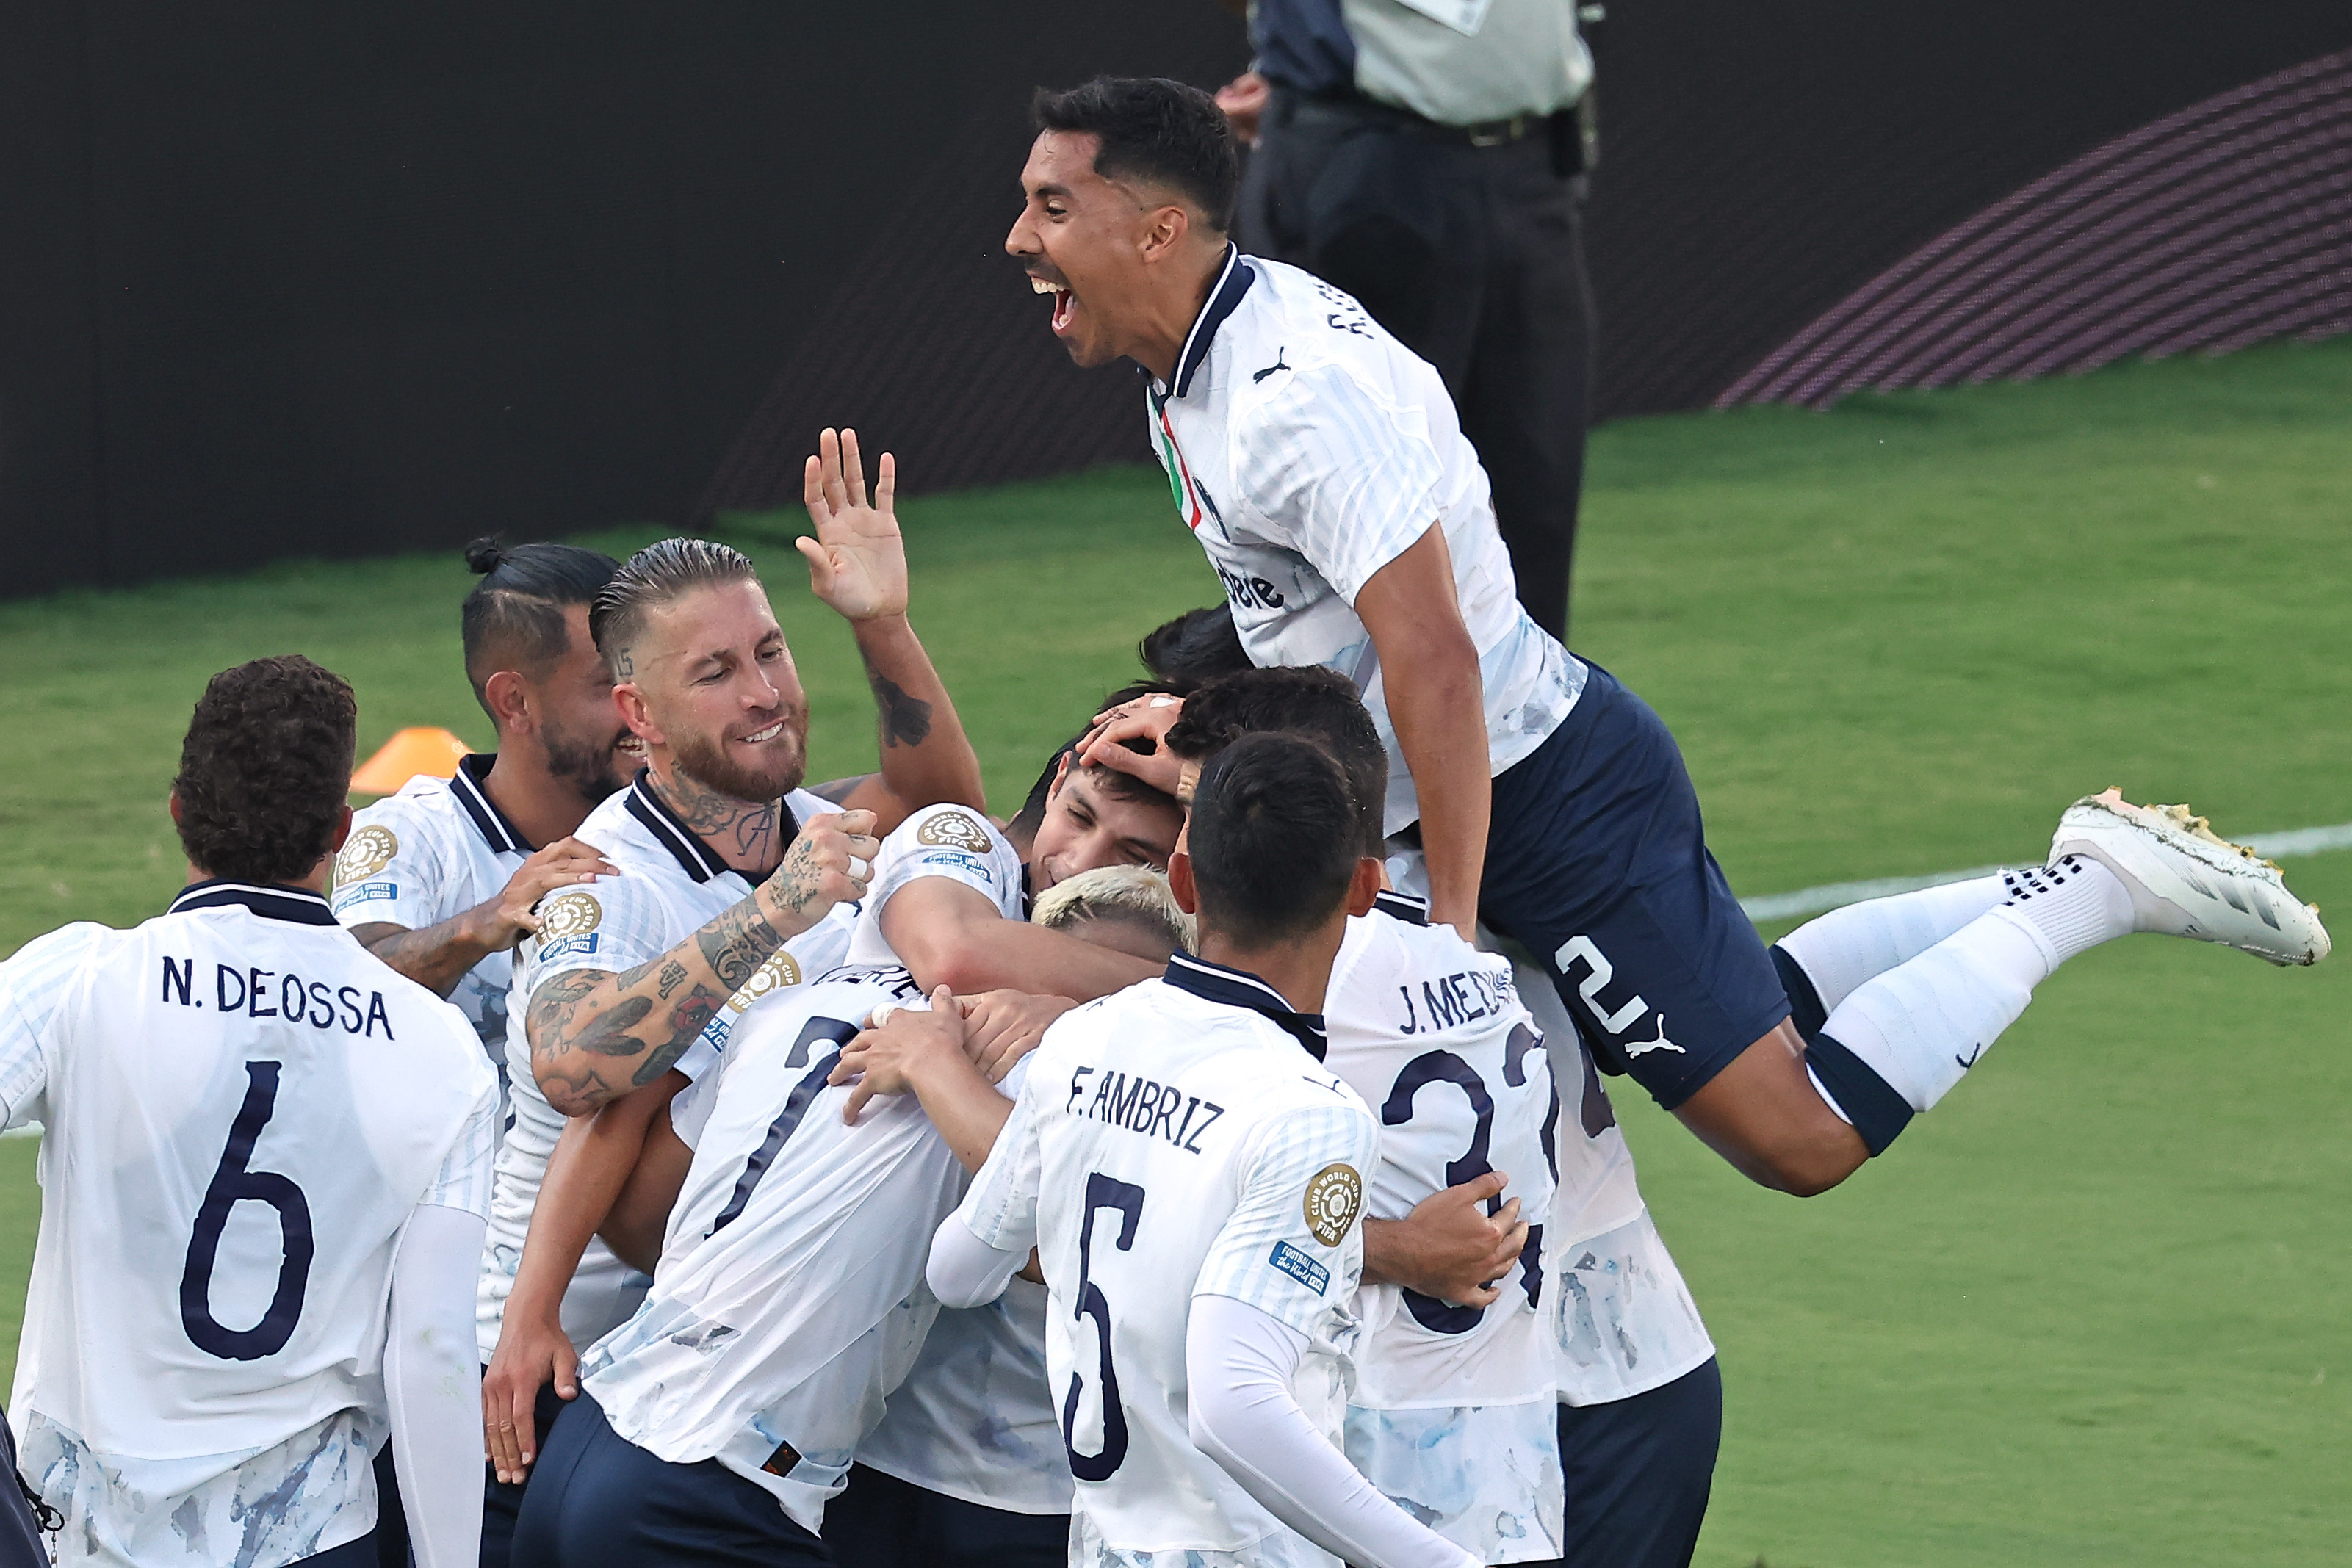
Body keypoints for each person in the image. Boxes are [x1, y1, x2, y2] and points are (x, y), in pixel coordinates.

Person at [1014, 74, 2327, 1206]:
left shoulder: (1294, 402)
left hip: (1538, 797)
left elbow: (1434, 658)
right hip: (1474, 796)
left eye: (1053, 208)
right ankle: (2080, 871)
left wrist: (1453, 928)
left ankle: (2096, 890)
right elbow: (1321, 622)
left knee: (1796, 1138)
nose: (1021, 237)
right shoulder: (1194, 370)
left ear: (1159, 229)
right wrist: (1206, 723)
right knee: (1735, 1008)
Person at [485, 702, 1191, 1562]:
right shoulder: (998, 1029)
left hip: (616, 1413)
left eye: (1132, 854)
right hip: (717, 1478)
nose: (1076, 859)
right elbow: (1087, 1251)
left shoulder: (822, 963)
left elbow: (637, 1119)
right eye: (1076, 817)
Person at [478, 431, 985, 1562]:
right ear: (638, 713)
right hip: (544, 1383)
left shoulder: (811, 825)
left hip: (704, 1375)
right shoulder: (604, 875)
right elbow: (572, 1065)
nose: (764, 694)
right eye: (715, 673)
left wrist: (879, 619)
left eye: (769, 651)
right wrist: (773, 914)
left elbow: (948, 802)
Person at [1158, 667, 1718, 1568]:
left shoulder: (1278, 1008)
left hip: (1404, 1445)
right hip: (1537, 1428)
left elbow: (1165, 1210)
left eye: (1199, 806)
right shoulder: (1468, 948)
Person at [931, 731, 1478, 1568]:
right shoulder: (1307, 1114)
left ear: (1182, 880)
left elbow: (958, 1269)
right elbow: (1232, 1406)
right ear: (1365, 887)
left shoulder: (1084, 1041)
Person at [1, 656, 497, 1568]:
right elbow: (431, 1346)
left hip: (80, 1528)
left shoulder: (81, 977)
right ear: (343, 831)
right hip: (306, 1533)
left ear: (181, 808)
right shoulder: (442, 1049)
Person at [1219, 0, 1598, 640]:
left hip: (1529, 163)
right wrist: (1300, 52)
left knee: (1530, 508)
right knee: (1356, 515)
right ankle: (1331, 742)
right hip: (1370, 160)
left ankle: (1525, 740)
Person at [333, 538, 628, 1108]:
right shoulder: (410, 834)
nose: (642, 704)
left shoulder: (677, 818)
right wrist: (485, 921)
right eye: (608, 683)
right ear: (515, 701)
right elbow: (348, 996)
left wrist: (861, 621)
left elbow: (837, 807)